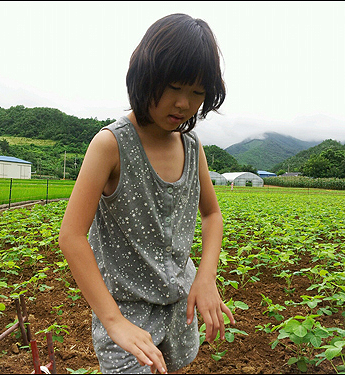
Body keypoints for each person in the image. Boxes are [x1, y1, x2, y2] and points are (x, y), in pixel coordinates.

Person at [58, 13, 235, 374]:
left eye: (197, 93)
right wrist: (112, 320)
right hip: (127, 313)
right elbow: (71, 236)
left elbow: (212, 215)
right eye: (174, 86)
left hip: (179, 307)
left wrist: (205, 275)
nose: (184, 104)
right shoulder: (111, 145)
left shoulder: (192, 146)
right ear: (146, 76)